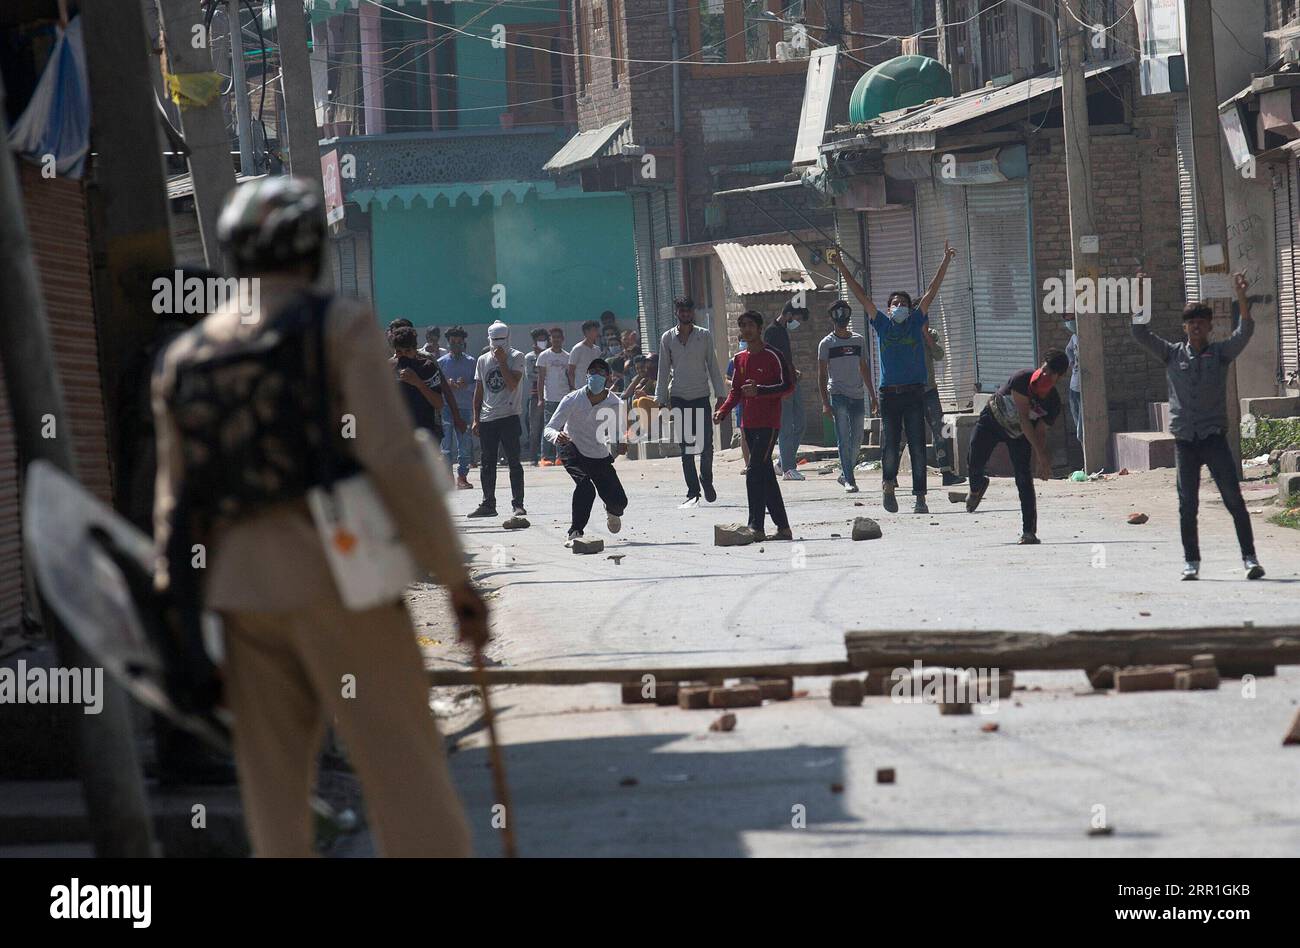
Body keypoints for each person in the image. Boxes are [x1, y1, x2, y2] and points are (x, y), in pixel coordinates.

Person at [151, 176, 486, 856]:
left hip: (240, 596)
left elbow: (174, 513)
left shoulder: (186, 359)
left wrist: (183, 624)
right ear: (313, 254)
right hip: (344, 574)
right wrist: (455, 580)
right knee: (403, 774)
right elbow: (393, 460)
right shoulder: (337, 326)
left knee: (273, 796)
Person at [1132, 272, 1264, 580]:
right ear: (1184, 327)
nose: (1196, 327)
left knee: (1233, 499)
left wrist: (1241, 296)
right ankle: (1191, 562)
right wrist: (1140, 294)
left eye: (1201, 322)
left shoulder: (1220, 354)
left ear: (1209, 326)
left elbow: (1245, 331)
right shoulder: (1172, 354)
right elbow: (1140, 333)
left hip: (1214, 439)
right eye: (1191, 322)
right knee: (1187, 504)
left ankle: (1250, 558)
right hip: (1185, 442)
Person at [829, 243, 956, 514]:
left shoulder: (914, 323)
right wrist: (841, 267)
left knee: (919, 445)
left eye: (903, 304)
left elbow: (932, 291)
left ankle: (920, 496)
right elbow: (861, 296)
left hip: (914, 393)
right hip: (889, 394)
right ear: (887, 309)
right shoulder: (883, 326)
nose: (899, 306)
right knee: (889, 446)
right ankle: (888, 486)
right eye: (895, 303)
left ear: (910, 310)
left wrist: (945, 261)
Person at [965, 350, 1069, 545]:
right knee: (974, 458)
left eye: (1051, 373)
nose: (1045, 375)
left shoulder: (1053, 403)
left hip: (1019, 435)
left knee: (1024, 478)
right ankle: (977, 486)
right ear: (1041, 363)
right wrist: (1040, 455)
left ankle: (1029, 532)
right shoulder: (1022, 379)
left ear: (1060, 377)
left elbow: (1039, 432)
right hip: (994, 419)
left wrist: (1041, 459)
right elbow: (1024, 418)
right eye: (1045, 369)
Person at [714, 311, 795, 541]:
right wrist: (723, 411)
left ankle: (756, 526)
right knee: (766, 475)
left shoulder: (773, 356)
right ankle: (783, 528)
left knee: (754, 472)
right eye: (742, 326)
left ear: (759, 328)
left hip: (769, 424)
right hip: (748, 424)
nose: (746, 329)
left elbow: (787, 386)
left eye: (749, 325)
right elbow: (736, 391)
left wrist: (761, 391)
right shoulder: (739, 359)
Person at [545, 358, 630, 546]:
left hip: (597, 452)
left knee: (619, 502)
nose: (596, 376)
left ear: (608, 377)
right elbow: (549, 427)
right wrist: (556, 436)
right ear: (586, 376)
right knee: (585, 487)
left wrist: (621, 443)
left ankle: (612, 510)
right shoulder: (572, 399)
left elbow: (618, 432)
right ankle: (575, 531)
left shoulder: (615, 404)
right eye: (592, 372)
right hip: (571, 446)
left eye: (601, 372)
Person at [656, 296, 727, 508]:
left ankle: (706, 478)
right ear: (676, 312)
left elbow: (713, 366)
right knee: (686, 447)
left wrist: (720, 395)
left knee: (706, 446)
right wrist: (661, 400)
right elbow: (662, 370)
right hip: (678, 396)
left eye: (688, 310)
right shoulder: (667, 338)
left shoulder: (704, 336)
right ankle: (693, 491)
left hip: (701, 395)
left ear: (692, 312)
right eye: (682, 311)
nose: (685, 314)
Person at [817, 299, 878, 495]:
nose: (842, 320)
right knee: (843, 438)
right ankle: (849, 480)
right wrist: (825, 402)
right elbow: (821, 375)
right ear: (832, 319)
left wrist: (872, 396)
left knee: (857, 437)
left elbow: (864, 368)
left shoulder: (858, 340)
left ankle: (845, 473)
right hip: (838, 394)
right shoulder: (826, 344)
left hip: (857, 395)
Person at [469, 320, 527, 518]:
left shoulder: (516, 357)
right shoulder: (482, 360)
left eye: (501, 340)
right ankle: (488, 504)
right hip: (488, 418)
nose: (498, 344)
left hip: (509, 416)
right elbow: (479, 391)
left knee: (514, 462)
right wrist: (476, 418)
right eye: (494, 340)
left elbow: (511, 384)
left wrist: (502, 362)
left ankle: (518, 503)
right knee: (487, 462)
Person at [392, 326, 460, 439]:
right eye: (399, 352)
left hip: (425, 432)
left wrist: (418, 382)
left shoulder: (427, 367)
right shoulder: (389, 368)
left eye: (407, 351)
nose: (403, 355)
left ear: (415, 350)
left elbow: (439, 403)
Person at [767, 301, 808, 480]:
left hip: (792, 381)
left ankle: (783, 463)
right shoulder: (772, 331)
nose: (796, 323)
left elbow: (784, 358)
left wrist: (793, 370)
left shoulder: (782, 330)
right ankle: (789, 469)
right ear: (789, 315)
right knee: (786, 428)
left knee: (800, 424)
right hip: (782, 386)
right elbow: (771, 360)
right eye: (797, 318)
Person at [922, 325, 964, 486]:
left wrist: (926, 335)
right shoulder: (905, 333)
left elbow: (939, 354)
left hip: (930, 390)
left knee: (940, 430)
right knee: (906, 433)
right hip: (911, 391)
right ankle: (892, 476)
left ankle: (946, 472)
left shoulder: (929, 334)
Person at [437, 327, 476, 489]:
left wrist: (465, 385)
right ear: (448, 343)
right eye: (453, 342)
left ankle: (462, 477)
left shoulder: (471, 362)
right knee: (445, 446)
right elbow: (436, 386)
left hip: (465, 409)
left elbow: (477, 385)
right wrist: (448, 385)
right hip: (446, 408)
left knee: (464, 445)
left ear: (463, 343)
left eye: (459, 342)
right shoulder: (441, 362)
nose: (456, 345)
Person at [536, 326, 571, 466]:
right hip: (550, 398)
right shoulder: (544, 356)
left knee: (563, 428)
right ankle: (544, 457)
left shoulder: (567, 357)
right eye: (553, 337)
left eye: (558, 337)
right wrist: (540, 398)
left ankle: (559, 456)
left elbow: (570, 377)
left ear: (562, 339)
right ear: (550, 339)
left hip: (565, 397)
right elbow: (541, 378)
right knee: (549, 427)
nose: (556, 339)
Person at [522, 327, 548, 465]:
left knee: (549, 426)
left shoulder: (551, 355)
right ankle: (533, 457)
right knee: (534, 428)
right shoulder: (529, 357)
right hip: (535, 395)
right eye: (539, 340)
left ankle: (548, 455)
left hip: (551, 393)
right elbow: (530, 376)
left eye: (544, 339)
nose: (542, 342)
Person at [726, 342, 750, 472]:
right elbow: (727, 378)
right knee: (744, 434)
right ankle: (747, 464)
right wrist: (735, 383)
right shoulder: (735, 360)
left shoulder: (758, 358)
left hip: (756, 401)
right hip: (741, 402)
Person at [568, 319, 603, 391]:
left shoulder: (597, 350)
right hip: (581, 388)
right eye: (594, 330)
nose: (597, 333)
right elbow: (571, 371)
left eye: (597, 330)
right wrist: (574, 388)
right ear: (587, 332)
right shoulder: (577, 349)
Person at [1064, 317, 1083, 445]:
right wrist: (1071, 361)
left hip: (1084, 389)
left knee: (1082, 431)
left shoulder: (1086, 337)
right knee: (1077, 424)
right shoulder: (1074, 337)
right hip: (1074, 387)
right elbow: (1069, 349)